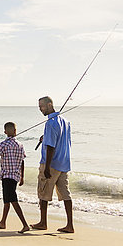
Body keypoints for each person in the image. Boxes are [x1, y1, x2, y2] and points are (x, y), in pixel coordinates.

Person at [31, 96, 74, 233]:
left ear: (49, 105)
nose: (40, 109)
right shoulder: (66, 122)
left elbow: (50, 146)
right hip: (64, 163)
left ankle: (43, 223)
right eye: (39, 107)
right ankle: (70, 225)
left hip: (52, 163)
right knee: (66, 194)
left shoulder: (50, 123)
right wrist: (45, 138)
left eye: (42, 106)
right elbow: (60, 139)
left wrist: (47, 167)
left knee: (43, 193)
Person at [0, 122, 30, 233]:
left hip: (7, 176)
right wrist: (22, 177)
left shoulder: (3, 144)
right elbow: (22, 161)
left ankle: (25, 225)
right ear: (15, 131)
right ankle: (2, 222)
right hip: (16, 176)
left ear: (5, 132)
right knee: (7, 200)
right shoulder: (20, 145)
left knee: (12, 200)